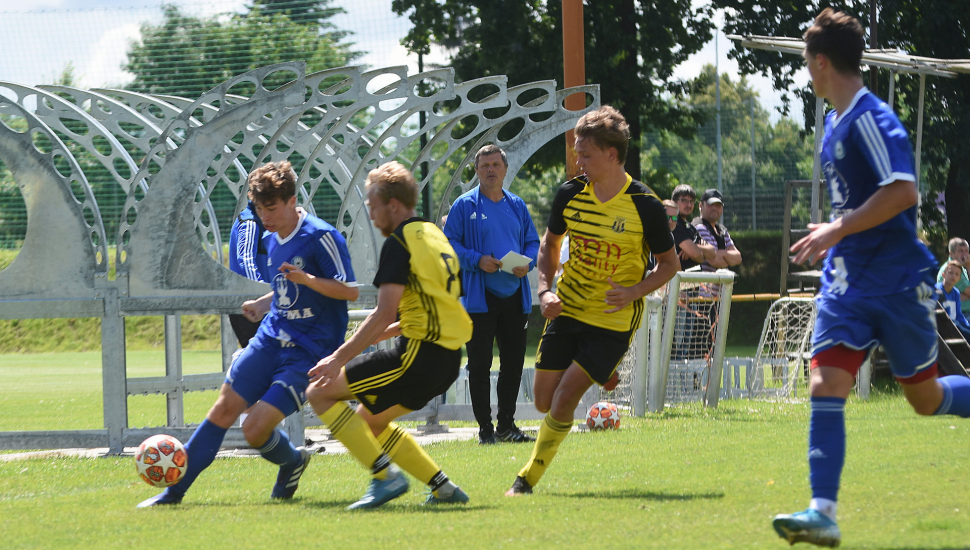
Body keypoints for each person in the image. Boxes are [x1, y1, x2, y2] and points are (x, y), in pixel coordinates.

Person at [772, 9, 970, 547]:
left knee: (923, 398)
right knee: (826, 383)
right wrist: (837, 236)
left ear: (819, 61)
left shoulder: (872, 119)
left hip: (900, 282)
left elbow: (904, 191)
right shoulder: (835, 122)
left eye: (806, 63)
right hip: (846, 285)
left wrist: (836, 227)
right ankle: (822, 511)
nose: (805, 74)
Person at [138, 161, 359, 508]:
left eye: (271, 208)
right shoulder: (272, 240)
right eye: (259, 209)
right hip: (271, 338)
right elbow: (288, 287)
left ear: (291, 200)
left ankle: (292, 461)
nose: (265, 217)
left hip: (309, 351)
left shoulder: (322, 236)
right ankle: (172, 493)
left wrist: (309, 280)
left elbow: (349, 290)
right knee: (224, 408)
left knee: (256, 429)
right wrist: (263, 302)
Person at [504, 105, 679, 496]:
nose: (577, 162)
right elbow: (549, 244)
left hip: (612, 319)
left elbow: (670, 265)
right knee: (543, 402)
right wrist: (545, 288)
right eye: (576, 154)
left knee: (564, 400)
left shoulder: (644, 205)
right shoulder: (570, 194)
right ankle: (603, 372)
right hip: (567, 308)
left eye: (585, 154)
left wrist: (634, 292)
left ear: (611, 155)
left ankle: (526, 479)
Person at [305, 161, 473, 509]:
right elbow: (428, 307)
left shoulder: (399, 243)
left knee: (319, 392)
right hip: (447, 357)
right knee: (370, 422)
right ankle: (444, 489)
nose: (371, 212)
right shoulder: (431, 234)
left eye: (373, 204)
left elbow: (383, 313)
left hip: (418, 357)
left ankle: (386, 477)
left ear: (393, 205)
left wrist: (338, 358)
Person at [443, 144, 541, 445]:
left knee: (512, 364)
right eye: (484, 165)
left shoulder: (517, 205)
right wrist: (476, 260)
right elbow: (449, 246)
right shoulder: (464, 205)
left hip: (515, 296)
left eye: (495, 164)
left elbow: (533, 242)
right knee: (480, 364)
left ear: (505, 169)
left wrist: (528, 262)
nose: (490, 170)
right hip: (479, 299)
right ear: (476, 170)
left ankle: (506, 426)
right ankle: (485, 429)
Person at [228, 200, 269, 347]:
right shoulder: (250, 222)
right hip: (251, 303)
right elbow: (245, 260)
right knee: (259, 357)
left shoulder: (266, 220)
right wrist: (263, 292)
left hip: (258, 302)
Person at [692, 188, 742, 272]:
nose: (714, 208)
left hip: (716, 284)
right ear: (700, 206)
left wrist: (721, 253)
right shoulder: (699, 227)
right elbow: (715, 261)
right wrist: (727, 257)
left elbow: (738, 258)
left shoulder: (722, 230)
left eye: (718, 205)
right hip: (701, 283)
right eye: (710, 204)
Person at [670, 184, 715, 271]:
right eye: (684, 201)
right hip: (673, 280)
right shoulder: (674, 224)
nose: (689, 205)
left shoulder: (690, 227)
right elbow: (697, 255)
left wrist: (694, 246)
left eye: (691, 201)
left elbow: (712, 253)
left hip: (689, 281)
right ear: (674, 202)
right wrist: (698, 251)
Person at [936, 237, 970, 319]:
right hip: (960, 314)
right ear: (951, 254)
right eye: (961, 251)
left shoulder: (960, 266)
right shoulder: (953, 271)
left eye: (966, 251)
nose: (964, 255)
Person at [936, 260, 970, 341]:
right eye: (950, 273)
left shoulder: (956, 293)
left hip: (955, 325)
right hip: (943, 327)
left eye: (957, 274)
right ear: (944, 274)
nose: (953, 276)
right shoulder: (937, 291)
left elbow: (959, 315)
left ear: (959, 279)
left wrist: (968, 326)